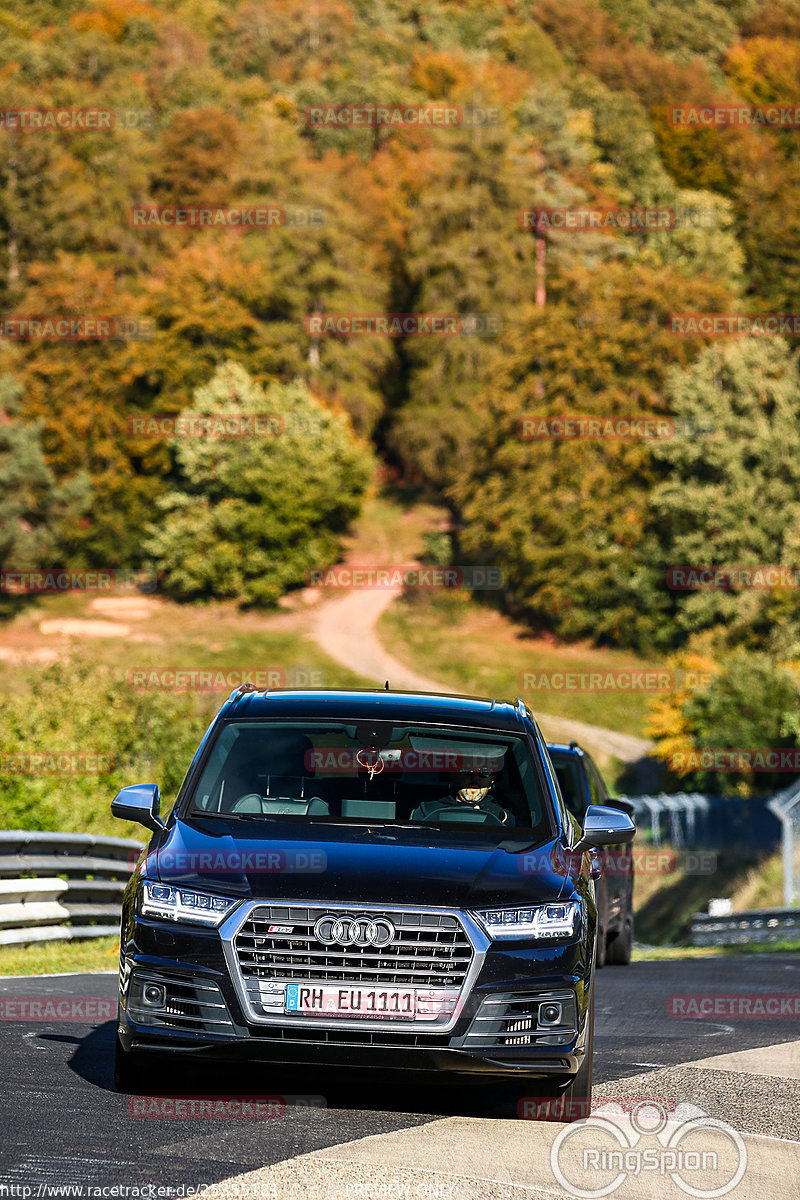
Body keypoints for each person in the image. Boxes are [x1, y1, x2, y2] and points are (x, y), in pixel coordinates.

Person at [410, 766, 511, 825]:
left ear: (491, 781)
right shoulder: (428, 809)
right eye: (468, 772)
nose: (475, 778)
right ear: (454, 777)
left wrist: (501, 816)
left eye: (484, 773)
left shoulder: (503, 810)